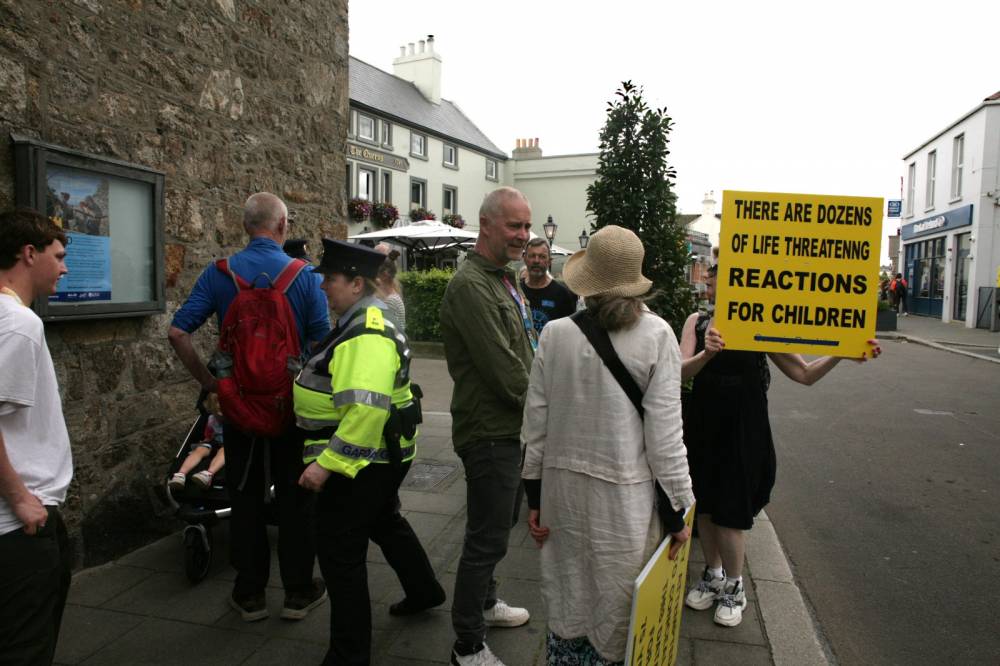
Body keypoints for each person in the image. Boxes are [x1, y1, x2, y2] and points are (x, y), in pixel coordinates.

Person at [522, 225, 694, 664]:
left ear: (588, 279)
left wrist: (534, 496)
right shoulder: (657, 336)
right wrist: (677, 511)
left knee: (569, 591)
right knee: (618, 601)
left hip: (562, 494)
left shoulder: (555, 334)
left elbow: (535, 424)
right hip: (625, 500)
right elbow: (666, 437)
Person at [681, 264, 881, 627]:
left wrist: (842, 353)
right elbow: (679, 372)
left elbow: (803, 374)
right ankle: (712, 575)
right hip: (704, 426)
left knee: (732, 509)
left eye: (712, 285)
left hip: (744, 429)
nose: (707, 291)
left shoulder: (760, 324)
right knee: (706, 506)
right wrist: (706, 354)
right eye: (707, 285)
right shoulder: (696, 322)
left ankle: (735, 587)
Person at [168, 192, 330, 622]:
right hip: (292, 410)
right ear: (283, 226)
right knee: (296, 499)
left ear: (245, 227)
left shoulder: (219, 274)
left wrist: (211, 386)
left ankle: (249, 594)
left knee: (244, 496)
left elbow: (178, 333)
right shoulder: (306, 276)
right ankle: (298, 592)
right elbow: (322, 344)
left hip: (237, 408)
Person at [296, 239, 445, 665]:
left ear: (356, 282)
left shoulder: (366, 332)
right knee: (385, 521)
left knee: (340, 555)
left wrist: (326, 466)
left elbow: (364, 410)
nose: (323, 286)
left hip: (363, 460)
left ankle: (348, 655)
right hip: (379, 455)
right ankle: (424, 590)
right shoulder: (359, 320)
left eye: (330, 279)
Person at [439, 187, 536, 666]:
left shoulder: (503, 279)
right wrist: (548, 408)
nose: (524, 235)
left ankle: (484, 601)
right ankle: (467, 644)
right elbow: (505, 370)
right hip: (489, 430)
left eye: (526, 226)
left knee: (497, 525)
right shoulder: (471, 286)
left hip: (509, 429)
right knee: (487, 537)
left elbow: (526, 348)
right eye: (514, 226)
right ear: (486, 224)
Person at [0, 208, 73, 665]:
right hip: (19, 526)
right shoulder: (20, 325)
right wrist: (21, 497)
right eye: (58, 255)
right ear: (29, 254)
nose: (64, 267)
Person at [519, 238, 577, 333]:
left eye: (542, 256)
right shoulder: (517, 291)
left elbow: (569, 332)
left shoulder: (562, 293)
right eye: (532, 256)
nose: (536, 261)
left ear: (550, 261)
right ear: (524, 258)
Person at [168, 414, 226, 492]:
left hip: (228, 444)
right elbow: (208, 436)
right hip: (214, 442)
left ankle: (208, 474)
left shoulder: (236, 420)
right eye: (216, 414)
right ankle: (181, 475)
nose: (219, 417)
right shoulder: (212, 419)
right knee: (201, 449)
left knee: (224, 451)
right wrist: (203, 443)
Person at [377, 249, 406, 334]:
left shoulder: (390, 301)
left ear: (385, 275)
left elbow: (387, 333)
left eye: (375, 275)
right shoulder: (391, 297)